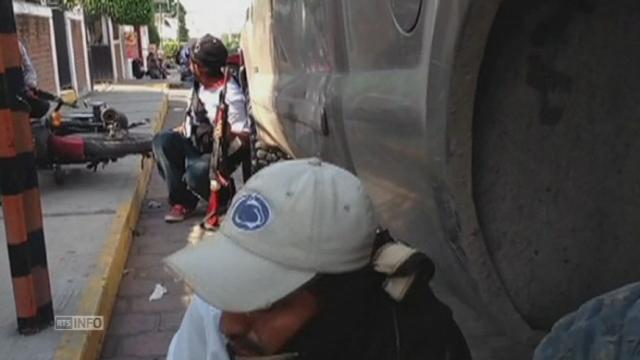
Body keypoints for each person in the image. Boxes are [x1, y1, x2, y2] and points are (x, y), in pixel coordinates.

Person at [165, 158, 471, 360]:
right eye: (232, 285)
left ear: (340, 303)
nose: (230, 324)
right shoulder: (213, 309)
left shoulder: (417, 343)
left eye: (268, 301)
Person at [152, 34, 251, 223]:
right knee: (162, 142)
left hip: (216, 156)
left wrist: (228, 132)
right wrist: (182, 129)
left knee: (196, 173)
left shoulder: (231, 94)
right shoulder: (199, 85)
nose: (190, 65)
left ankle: (222, 195)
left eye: (193, 62)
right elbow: (193, 115)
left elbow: (245, 139)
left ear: (201, 67)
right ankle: (183, 202)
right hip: (194, 145)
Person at [18, 40, 49, 118]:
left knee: (43, 105)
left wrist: (31, 86)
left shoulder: (18, 46)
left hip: (20, 92)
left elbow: (29, 69)